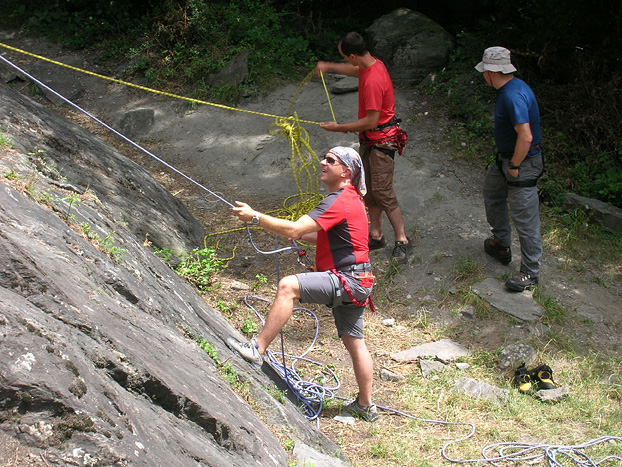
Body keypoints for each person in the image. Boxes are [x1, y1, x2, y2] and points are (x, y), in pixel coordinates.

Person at [227, 146, 378, 422]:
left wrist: (256, 218)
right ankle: (366, 406)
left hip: (348, 279)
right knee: (354, 341)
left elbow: (296, 228)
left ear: (346, 172)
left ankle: (257, 349)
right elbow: (326, 236)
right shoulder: (351, 199)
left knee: (288, 286)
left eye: (330, 160)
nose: (322, 162)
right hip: (359, 281)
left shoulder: (339, 199)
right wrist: (293, 232)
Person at [315, 31, 412, 265]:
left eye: (345, 58)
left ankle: (402, 240)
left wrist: (339, 128)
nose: (346, 62)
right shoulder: (371, 64)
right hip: (370, 142)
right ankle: (376, 236)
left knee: (383, 192)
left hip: (381, 143)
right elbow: (354, 71)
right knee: (367, 190)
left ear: (353, 56)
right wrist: (329, 66)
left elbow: (371, 120)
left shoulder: (372, 80)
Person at [475, 47, 544, 292]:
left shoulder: (512, 96)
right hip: (505, 160)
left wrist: (515, 165)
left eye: (484, 72)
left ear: (492, 73)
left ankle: (530, 272)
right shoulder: (512, 88)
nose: (483, 76)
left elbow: (526, 136)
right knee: (492, 193)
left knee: (524, 218)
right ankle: (501, 245)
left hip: (521, 163)